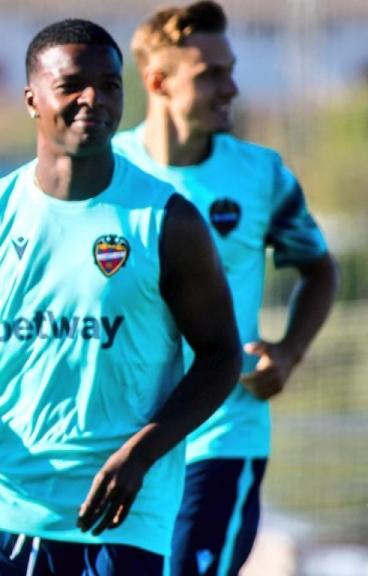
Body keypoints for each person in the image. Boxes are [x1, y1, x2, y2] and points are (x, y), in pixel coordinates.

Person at [0, 19, 243, 575]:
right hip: (4, 502)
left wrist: (141, 453)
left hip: (121, 511)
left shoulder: (166, 222)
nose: (93, 98)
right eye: (72, 84)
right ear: (31, 99)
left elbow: (221, 356)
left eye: (110, 85)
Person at [113, 3, 339, 574]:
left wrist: (288, 352)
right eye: (211, 73)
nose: (231, 87)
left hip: (221, 438)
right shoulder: (109, 171)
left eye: (230, 70)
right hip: (121, 437)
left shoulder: (260, 175)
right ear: (158, 81)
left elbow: (318, 268)